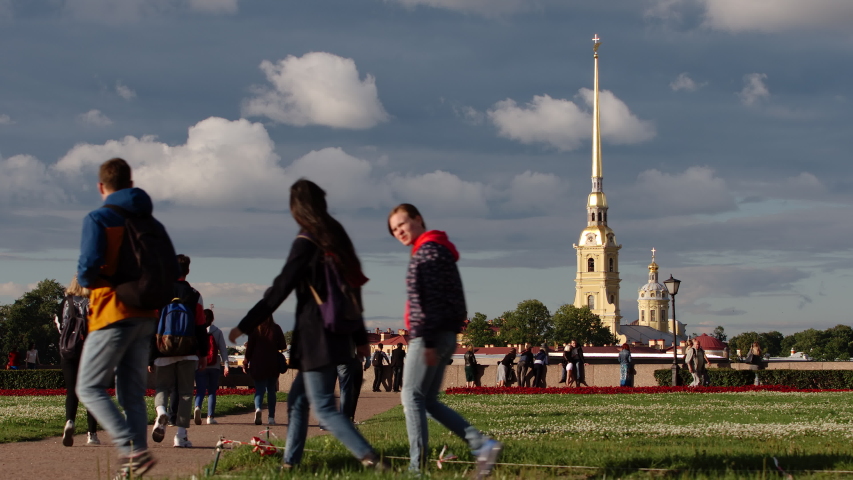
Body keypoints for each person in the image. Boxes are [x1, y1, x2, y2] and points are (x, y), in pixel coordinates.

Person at [228, 179, 387, 470]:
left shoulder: (306, 240)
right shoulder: (337, 237)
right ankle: (291, 462)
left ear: (297, 208)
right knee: (298, 402)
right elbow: (353, 290)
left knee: (324, 408)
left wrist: (245, 324)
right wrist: (360, 337)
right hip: (339, 334)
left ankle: (370, 457)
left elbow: (280, 287)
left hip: (316, 337)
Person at [76, 158, 176, 479]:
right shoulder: (151, 223)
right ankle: (135, 466)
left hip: (112, 312)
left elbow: (87, 271)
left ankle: (132, 450)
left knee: (88, 387)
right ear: (132, 185)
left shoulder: (99, 218)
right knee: (132, 394)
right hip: (146, 314)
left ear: (101, 187)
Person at [388, 203, 502, 475]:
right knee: (427, 401)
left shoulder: (425, 253)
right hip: (446, 334)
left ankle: (417, 469)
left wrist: (426, 341)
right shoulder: (440, 249)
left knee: (410, 397)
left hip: (428, 335)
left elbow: (424, 302)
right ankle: (482, 445)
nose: (399, 231)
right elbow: (454, 300)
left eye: (402, 224)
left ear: (418, 219)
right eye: (394, 229)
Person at [150, 254, 208, 448]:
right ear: (188, 271)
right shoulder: (194, 294)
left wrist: (150, 356)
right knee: (185, 393)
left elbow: (153, 325)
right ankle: (181, 436)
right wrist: (204, 354)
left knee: (162, 387)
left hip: (163, 350)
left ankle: (161, 413)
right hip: (188, 349)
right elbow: (201, 326)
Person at [56, 275, 100, 446]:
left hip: (69, 351)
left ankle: (70, 421)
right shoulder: (93, 301)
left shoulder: (67, 301)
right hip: (89, 350)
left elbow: (63, 326)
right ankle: (92, 434)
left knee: (71, 391)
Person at [243, 315, 287, 425]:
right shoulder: (276, 328)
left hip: (258, 364)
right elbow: (283, 345)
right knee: (271, 390)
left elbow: (250, 349)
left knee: (259, 390)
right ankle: (271, 417)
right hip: (272, 363)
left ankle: (258, 409)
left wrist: (245, 362)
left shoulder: (254, 329)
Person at [195, 309, 230, 425]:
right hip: (214, 365)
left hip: (199, 364)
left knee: (200, 390)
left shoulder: (197, 331)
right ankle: (210, 417)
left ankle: (197, 407)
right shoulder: (217, 331)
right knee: (212, 392)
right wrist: (226, 365)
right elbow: (223, 350)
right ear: (212, 319)